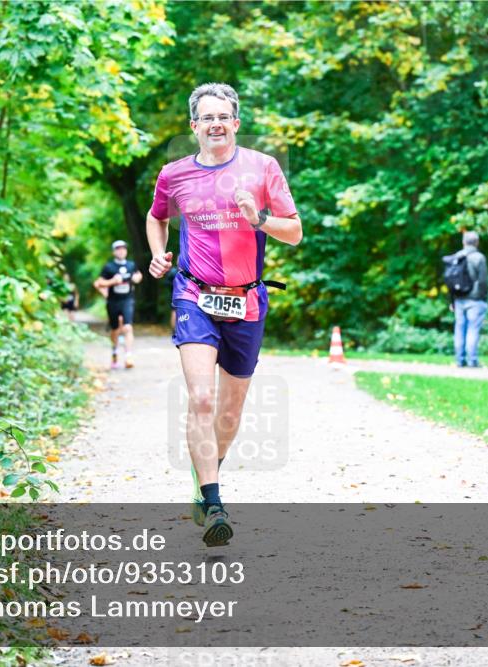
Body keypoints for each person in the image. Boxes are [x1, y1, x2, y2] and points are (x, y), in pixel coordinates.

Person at [146, 82, 302, 547]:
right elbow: (157, 216)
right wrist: (160, 252)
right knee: (202, 399)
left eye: (224, 117)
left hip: (247, 299)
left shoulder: (262, 167)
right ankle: (214, 502)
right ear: (194, 126)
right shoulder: (174, 174)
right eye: (206, 117)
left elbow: (293, 232)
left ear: (235, 123)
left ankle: (204, 475)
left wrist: (259, 221)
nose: (216, 124)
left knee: (230, 415)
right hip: (194, 293)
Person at [93, 240, 142, 369]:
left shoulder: (131, 265)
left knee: (127, 327)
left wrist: (138, 278)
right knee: (115, 329)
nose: (121, 251)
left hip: (127, 300)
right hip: (113, 302)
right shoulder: (109, 267)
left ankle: (128, 356)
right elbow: (98, 283)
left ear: (126, 250)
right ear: (114, 251)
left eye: (123, 248)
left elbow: (138, 275)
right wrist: (112, 282)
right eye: (118, 249)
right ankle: (114, 352)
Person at [449, 231, 488, 368]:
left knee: (459, 328)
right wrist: (483, 298)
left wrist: (451, 300)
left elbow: (450, 281)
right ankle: (472, 361)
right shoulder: (479, 258)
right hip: (475, 299)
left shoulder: (456, 257)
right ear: (477, 242)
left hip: (459, 299)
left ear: (463, 242)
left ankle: (459, 361)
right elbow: (482, 281)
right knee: (473, 329)